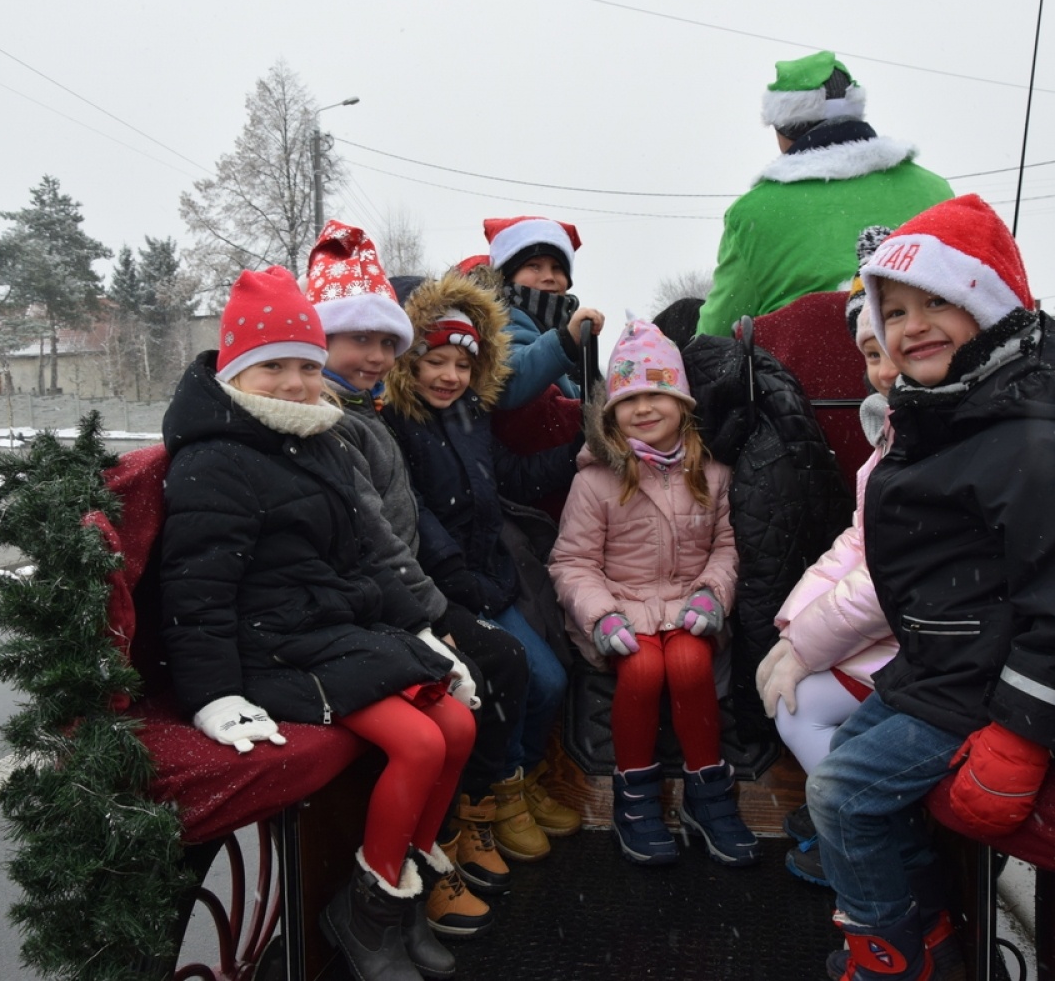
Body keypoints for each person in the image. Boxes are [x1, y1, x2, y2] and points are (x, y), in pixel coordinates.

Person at [805, 195, 1055, 980]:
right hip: (944, 665)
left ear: (989, 304)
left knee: (842, 794)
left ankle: (889, 953)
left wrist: (1024, 734)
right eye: (896, 309)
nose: (912, 325)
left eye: (938, 302)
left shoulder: (1032, 435)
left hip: (987, 682)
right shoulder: (960, 410)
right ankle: (931, 932)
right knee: (844, 759)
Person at [159, 265, 479, 981]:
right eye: (274, 366)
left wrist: (423, 632)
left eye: (307, 365)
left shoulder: (316, 442)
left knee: (457, 725)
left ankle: (400, 898)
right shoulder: (216, 461)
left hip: (329, 632)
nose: (297, 383)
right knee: (419, 746)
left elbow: (368, 555)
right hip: (270, 651)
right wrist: (212, 695)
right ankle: (365, 915)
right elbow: (198, 591)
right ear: (236, 372)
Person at [305, 220, 533, 935]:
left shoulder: (365, 412)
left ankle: (437, 845)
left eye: (383, 342)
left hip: (395, 598)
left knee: (495, 673)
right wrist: (436, 614)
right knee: (481, 673)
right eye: (357, 341)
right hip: (369, 610)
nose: (374, 356)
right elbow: (380, 536)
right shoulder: (336, 421)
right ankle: (411, 872)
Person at [383, 271, 584, 866]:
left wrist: (579, 454)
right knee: (511, 676)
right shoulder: (397, 423)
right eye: (435, 361)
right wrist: (458, 576)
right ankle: (493, 795)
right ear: (408, 361)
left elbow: (511, 480)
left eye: (462, 365)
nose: (449, 376)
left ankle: (515, 780)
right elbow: (418, 516)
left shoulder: (470, 417)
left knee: (550, 678)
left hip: (486, 578)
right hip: (443, 588)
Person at [548, 319, 758, 867]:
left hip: (690, 604)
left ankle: (706, 795)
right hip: (621, 607)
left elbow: (728, 547)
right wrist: (602, 617)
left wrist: (713, 595)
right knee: (641, 670)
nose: (643, 408)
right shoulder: (595, 479)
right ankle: (634, 798)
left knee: (689, 666)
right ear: (611, 413)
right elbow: (573, 562)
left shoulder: (711, 473)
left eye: (656, 394)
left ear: (681, 402)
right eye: (629, 398)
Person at [754, 255, 900, 886]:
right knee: (786, 684)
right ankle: (841, 810)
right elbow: (857, 541)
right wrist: (794, 624)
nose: (885, 370)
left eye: (895, 350)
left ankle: (863, 829)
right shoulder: (895, 435)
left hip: (921, 644)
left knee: (797, 706)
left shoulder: (926, 445)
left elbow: (891, 578)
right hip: (893, 631)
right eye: (871, 354)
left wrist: (807, 646)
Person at [695, 51, 953, 338]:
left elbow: (716, 330)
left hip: (803, 379)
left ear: (783, 128)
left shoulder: (754, 212)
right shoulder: (935, 190)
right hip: (925, 370)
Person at [467, 217, 606, 410]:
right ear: (509, 275)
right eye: (534, 266)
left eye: (557, 268)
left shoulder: (565, 324)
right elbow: (505, 384)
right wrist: (565, 342)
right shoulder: (502, 320)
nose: (549, 277)